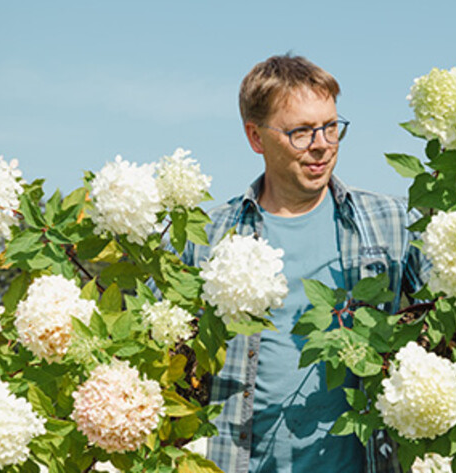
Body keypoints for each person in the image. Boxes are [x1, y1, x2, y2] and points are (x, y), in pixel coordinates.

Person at [182, 54, 430, 473]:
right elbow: (155, 342)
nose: (321, 144)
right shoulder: (209, 235)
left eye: (331, 127)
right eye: (300, 132)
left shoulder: (390, 222)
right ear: (256, 137)